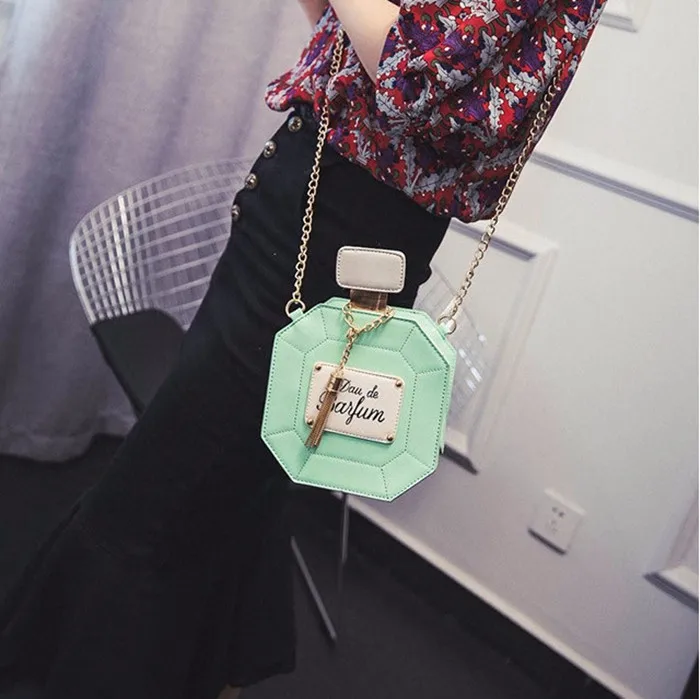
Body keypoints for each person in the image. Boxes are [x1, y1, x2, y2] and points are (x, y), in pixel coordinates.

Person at [0, 1, 607, 697]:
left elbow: (411, 75)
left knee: (161, 496)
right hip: (316, 197)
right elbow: (343, 26)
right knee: (227, 490)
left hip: (344, 223)